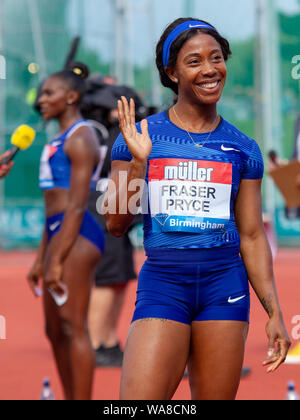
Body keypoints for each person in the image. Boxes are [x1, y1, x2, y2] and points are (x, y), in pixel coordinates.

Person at [104, 18, 291, 400]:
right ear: (171, 72)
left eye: (216, 58)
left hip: (225, 287)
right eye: (194, 61)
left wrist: (274, 311)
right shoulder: (136, 138)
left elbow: (253, 235)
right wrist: (139, 165)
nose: (209, 69)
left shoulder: (243, 147)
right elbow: (116, 224)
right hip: (164, 284)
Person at [27, 64, 105, 400]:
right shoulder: (58, 138)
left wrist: (56, 258)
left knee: (73, 326)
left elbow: (75, 206)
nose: (40, 100)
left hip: (78, 234)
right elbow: (52, 211)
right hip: (57, 233)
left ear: (71, 96)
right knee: (54, 330)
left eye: (48, 93)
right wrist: (41, 257)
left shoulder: (82, 136)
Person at [87, 107, 137, 367]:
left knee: (119, 277)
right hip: (100, 215)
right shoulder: (93, 132)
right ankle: (94, 344)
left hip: (120, 218)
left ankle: (108, 342)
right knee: (106, 279)